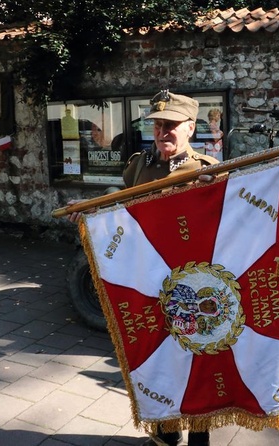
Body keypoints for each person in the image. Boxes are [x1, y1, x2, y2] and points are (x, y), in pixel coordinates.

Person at [65, 91, 218, 446]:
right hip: (148, 283)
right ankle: (165, 433)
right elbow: (122, 203)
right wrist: (92, 207)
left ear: (191, 128)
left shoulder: (209, 171)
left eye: (171, 125)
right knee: (157, 359)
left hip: (192, 288)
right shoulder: (140, 164)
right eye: (158, 125)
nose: (162, 132)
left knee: (196, 364)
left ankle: (200, 438)